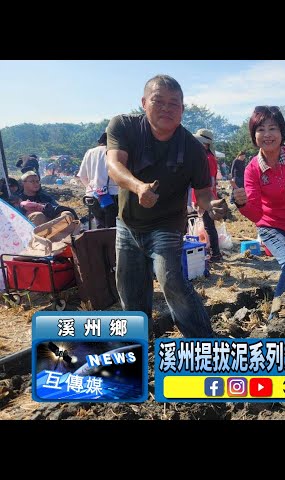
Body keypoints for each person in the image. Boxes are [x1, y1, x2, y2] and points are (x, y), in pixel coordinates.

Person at [105, 74, 227, 338]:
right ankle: (137, 345)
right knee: (130, 292)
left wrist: (213, 205)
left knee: (171, 281)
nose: (166, 109)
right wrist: (138, 187)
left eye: (174, 104)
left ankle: (203, 342)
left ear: (182, 109)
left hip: (167, 225)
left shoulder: (193, 149)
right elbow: (114, 166)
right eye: (158, 101)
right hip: (127, 224)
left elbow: (203, 194)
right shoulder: (124, 126)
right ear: (143, 103)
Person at [232, 106, 285, 307]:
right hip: (270, 226)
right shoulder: (252, 168)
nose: (267, 134)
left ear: (282, 132)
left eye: (273, 128)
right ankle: (276, 315)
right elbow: (256, 214)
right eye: (261, 129)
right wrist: (241, 203)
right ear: (254, 135)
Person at [191, 128, 222, 262]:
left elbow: (207, 181)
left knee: (209, 226)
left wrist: (200, 199)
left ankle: (215, 254)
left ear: (206, 144)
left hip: (206, 196)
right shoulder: (208, 157)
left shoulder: (206, 158)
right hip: (207, 195)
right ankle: (214, 252)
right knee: (208, 225)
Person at [78, 132, 119, 228]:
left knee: (99, 226)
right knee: (112, 228)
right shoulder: (113, 152)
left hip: (93, 196)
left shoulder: (90, 152)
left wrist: (91, 188)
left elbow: (82, 176)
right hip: (112, 195)